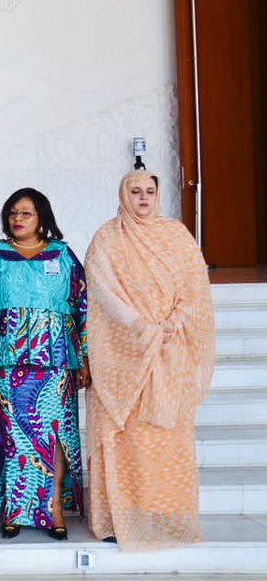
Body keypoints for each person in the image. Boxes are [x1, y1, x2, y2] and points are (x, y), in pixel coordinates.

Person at [85, 170, 215, 550]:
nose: (142, 198)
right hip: (122, 353)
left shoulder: (176, 235)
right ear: (123, 193)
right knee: (125, 439)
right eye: (135, 191)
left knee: (166, 441)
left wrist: (174, 322)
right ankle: (117, 520)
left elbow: (195, 287)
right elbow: (103, 290)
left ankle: (167, 515)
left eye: (149, 192)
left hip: (169, 352)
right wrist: (139, 325)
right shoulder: (108, 238)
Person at [0, 188, 89, 539]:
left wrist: (84, 356)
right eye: (13, 213)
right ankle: (13, 508)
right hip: (5, 360)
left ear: (42, 219)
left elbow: (82, 306)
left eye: (26, 213)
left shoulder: (62, 256)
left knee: (54, 434)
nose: (18, 219)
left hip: (55, 359)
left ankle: (53, 509)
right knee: (11, 434)